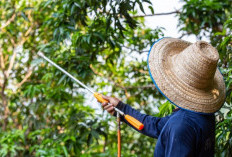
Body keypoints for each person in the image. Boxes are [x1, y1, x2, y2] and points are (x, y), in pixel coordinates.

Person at [100, 38, 226, 157]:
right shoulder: (200, 115)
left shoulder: (181, 124)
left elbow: (175, 128)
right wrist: (121, 108)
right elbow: (157, 126)